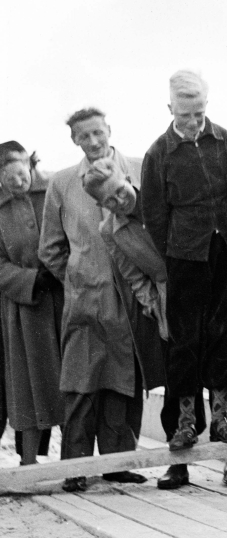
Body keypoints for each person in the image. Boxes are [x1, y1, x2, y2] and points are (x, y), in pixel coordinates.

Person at [39, 108, 166, 492]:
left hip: (134, 298)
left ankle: (119, 462)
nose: (93, 142)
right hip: (85, 301)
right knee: (81, 381)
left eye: (97, 132)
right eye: (83, 136)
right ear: (74, 141)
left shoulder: (141, 168)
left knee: (124, 379)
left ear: (109, 129)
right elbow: (50, 249)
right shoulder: (61, 183)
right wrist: (80, 280)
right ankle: (75, 466)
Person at [142, 70, 227, 490]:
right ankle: (183, 442)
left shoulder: (224, 139)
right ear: (170, 109)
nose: (194, 123)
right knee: (185, 344)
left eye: (200, 113)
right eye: (186, 115)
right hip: (185, 257)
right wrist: (177, 250)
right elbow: (153, 216)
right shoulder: (159, 153)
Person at [0, 141, 63, 465]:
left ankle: (75, 462)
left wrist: (60, 270)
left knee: (71, 379)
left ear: (29, 164)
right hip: (23, 309)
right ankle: (27, 461)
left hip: (65, 299)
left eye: (22, 176)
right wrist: (30, 280)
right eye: (9, 179)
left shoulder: (55, 189)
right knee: (27, 384)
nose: (17, 183)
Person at [81, 158, 168, 343]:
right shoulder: (109, 231)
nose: (120, 201)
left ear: (128, 179)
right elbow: (133, 276)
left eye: (120, 190)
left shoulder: (162, 194)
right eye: (110, 201)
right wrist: (153, 304)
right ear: (101, 206)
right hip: (169, 297)